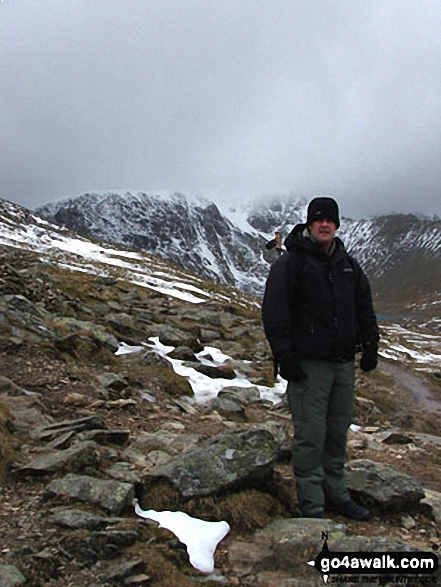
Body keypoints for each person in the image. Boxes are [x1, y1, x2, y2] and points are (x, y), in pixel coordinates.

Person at [262, 197, 379, 520]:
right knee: (311, 435)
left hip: (342, 364)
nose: (324, 224)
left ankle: (336, 495)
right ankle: (312, 506)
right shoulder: (291, 263)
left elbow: (364, 307)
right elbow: (274, 312)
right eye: (318, 219)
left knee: (337, 432)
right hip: (308, 366)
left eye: (330, 219)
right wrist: (284, 356)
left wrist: (371, 345)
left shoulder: (348, 265)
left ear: (337, 224)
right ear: (309, 224)